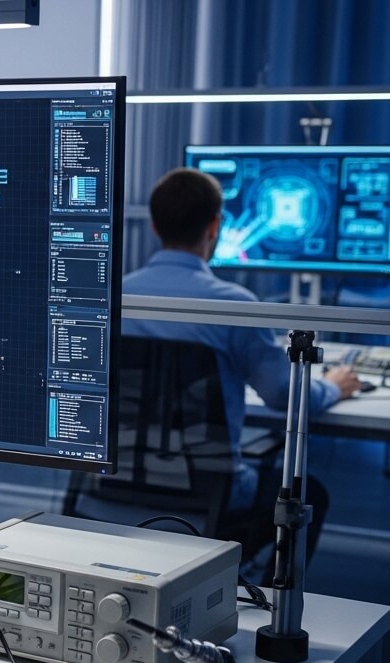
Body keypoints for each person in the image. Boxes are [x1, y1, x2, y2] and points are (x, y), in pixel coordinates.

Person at [122, 168, 362, 565]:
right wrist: (333, 385)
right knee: (310, 492)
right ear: (215, 226)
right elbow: (284, 396)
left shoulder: (117, 295)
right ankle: (265, 603)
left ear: (153, 225)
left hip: (114, 480)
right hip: (206, 488)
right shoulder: (232, 306)